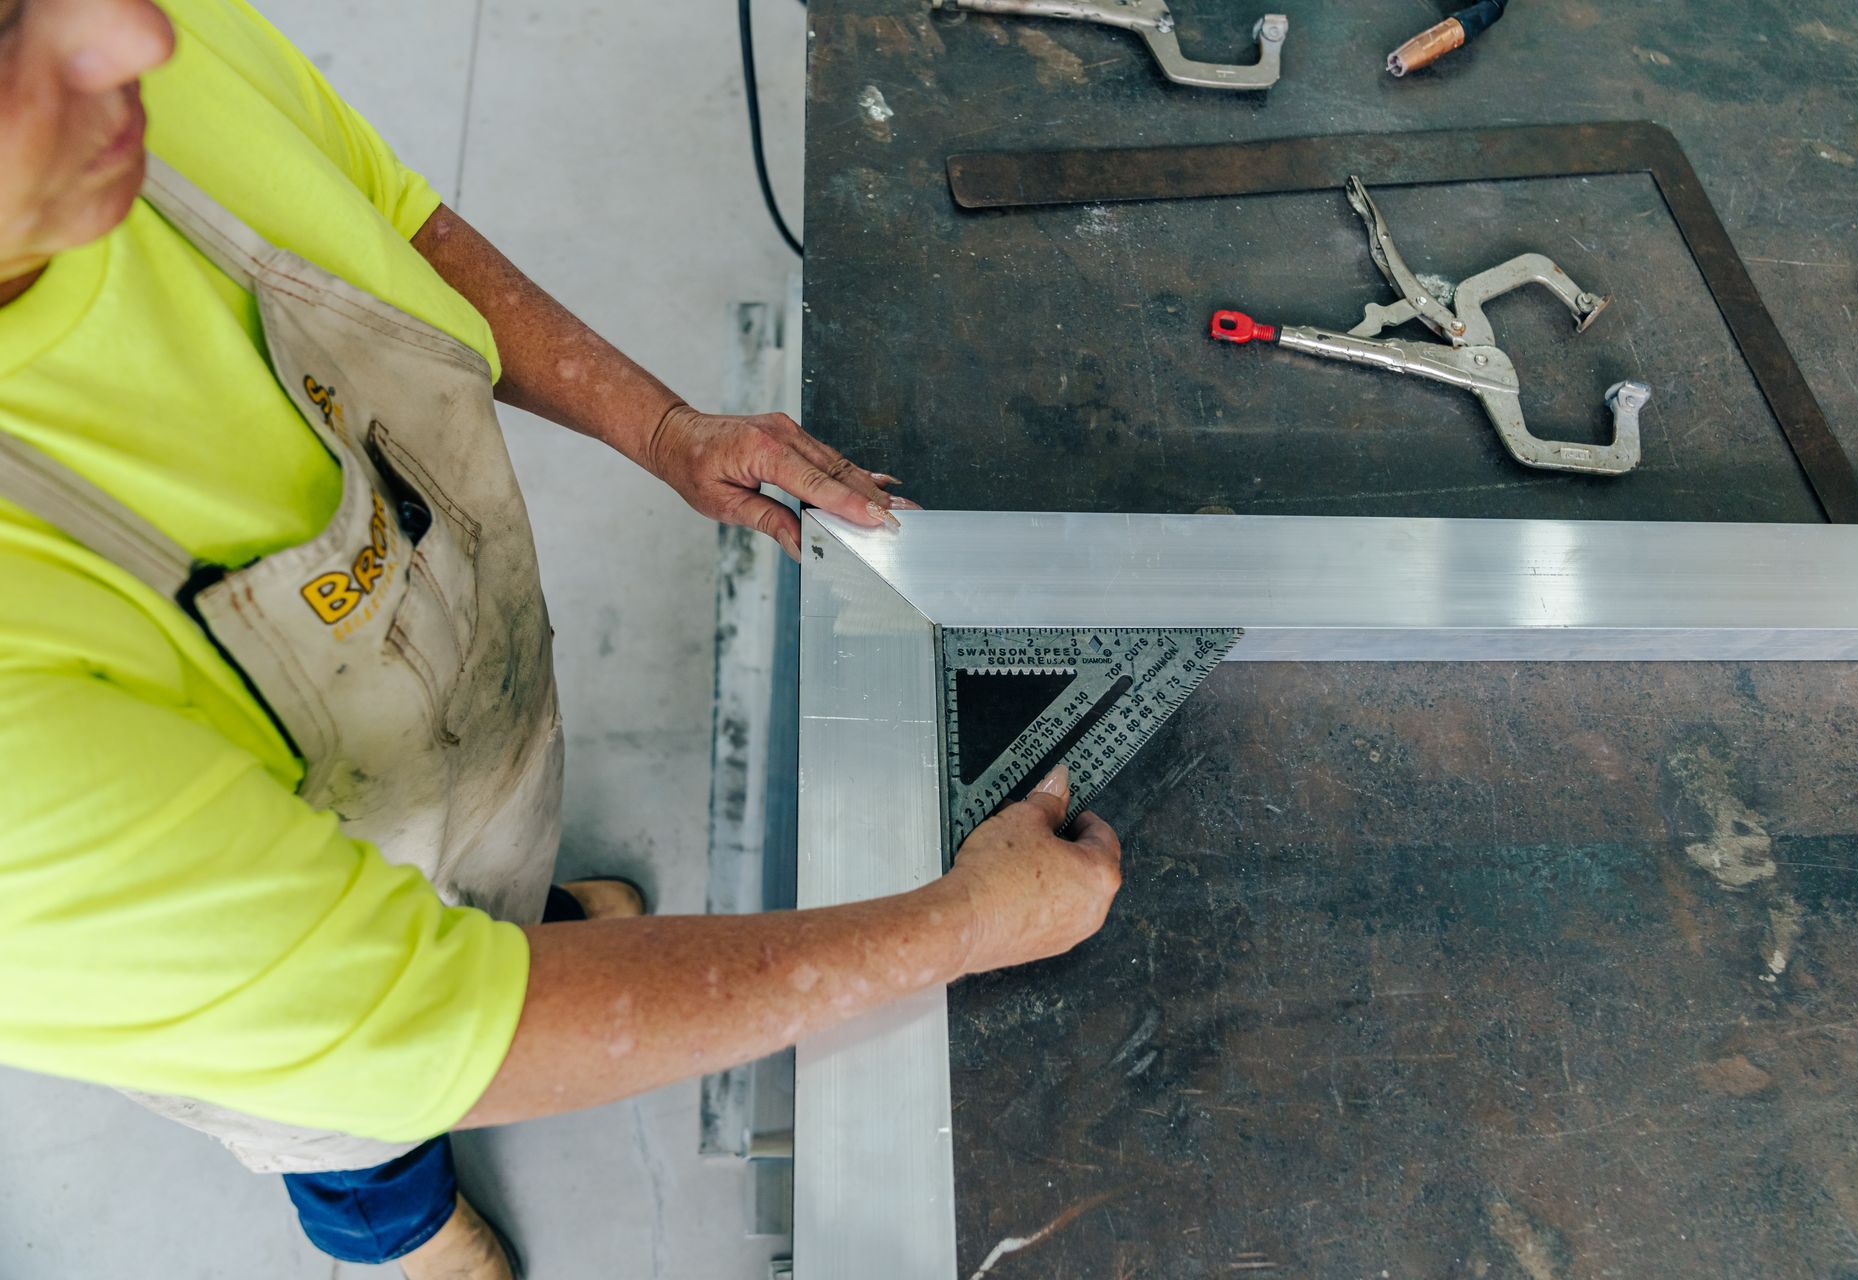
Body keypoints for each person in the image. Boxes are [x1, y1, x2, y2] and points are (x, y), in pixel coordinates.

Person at [0, 0, 1126, 1275]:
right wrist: (964, 924)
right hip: (335, 1008)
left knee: (500, 870)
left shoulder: (120, 49)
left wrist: (658, 428)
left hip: (458, 735)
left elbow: (380, 212)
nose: (138, 34)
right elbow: (412, 1023)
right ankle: (394, 1232)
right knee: (350, 1127)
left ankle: (520, 904)